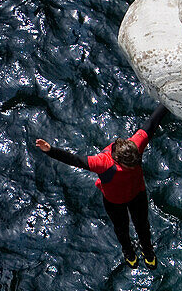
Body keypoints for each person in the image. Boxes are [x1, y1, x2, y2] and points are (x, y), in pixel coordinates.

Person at [35, 104, 168, 268]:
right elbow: (75, 160)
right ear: (118, 160)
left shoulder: (136, 145)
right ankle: (129, 251)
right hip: (114, 201)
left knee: (142, 225)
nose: (134, 167)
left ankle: (147, 250)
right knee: (122, 230)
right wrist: (50, 150)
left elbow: (152, 123)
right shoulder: (103, 162)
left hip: (137, 194)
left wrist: (168, 100)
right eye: (130, 166)